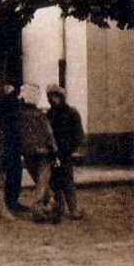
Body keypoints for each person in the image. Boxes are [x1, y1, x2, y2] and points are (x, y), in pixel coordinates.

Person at [17, 83, 58, 222]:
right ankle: (40, 207)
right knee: (42, 179)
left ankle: (52, 202)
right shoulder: (40, 115)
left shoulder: (20, 115)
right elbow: (49, 133)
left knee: (39, 179)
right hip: (43, 152)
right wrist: (54, 150)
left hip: (28, 152)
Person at [46, 84, 85, 221]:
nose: (52, 99)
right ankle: (59, 208)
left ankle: (73, 209)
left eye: (55, 96)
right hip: (54, 154)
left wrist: (69, 149)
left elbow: (79, 135)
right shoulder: (49, 115)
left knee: (67, 180)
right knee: (55, 181)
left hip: (65, 153)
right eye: (50, 96)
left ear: (61, 97)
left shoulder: (71, 113)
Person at [0, 84, 28, 214]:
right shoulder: (14, 105)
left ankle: (9, 201)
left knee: (10, 173)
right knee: (14, 173)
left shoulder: (3, 106)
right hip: (13, 144)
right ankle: (12, 201)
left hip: (7, 143)